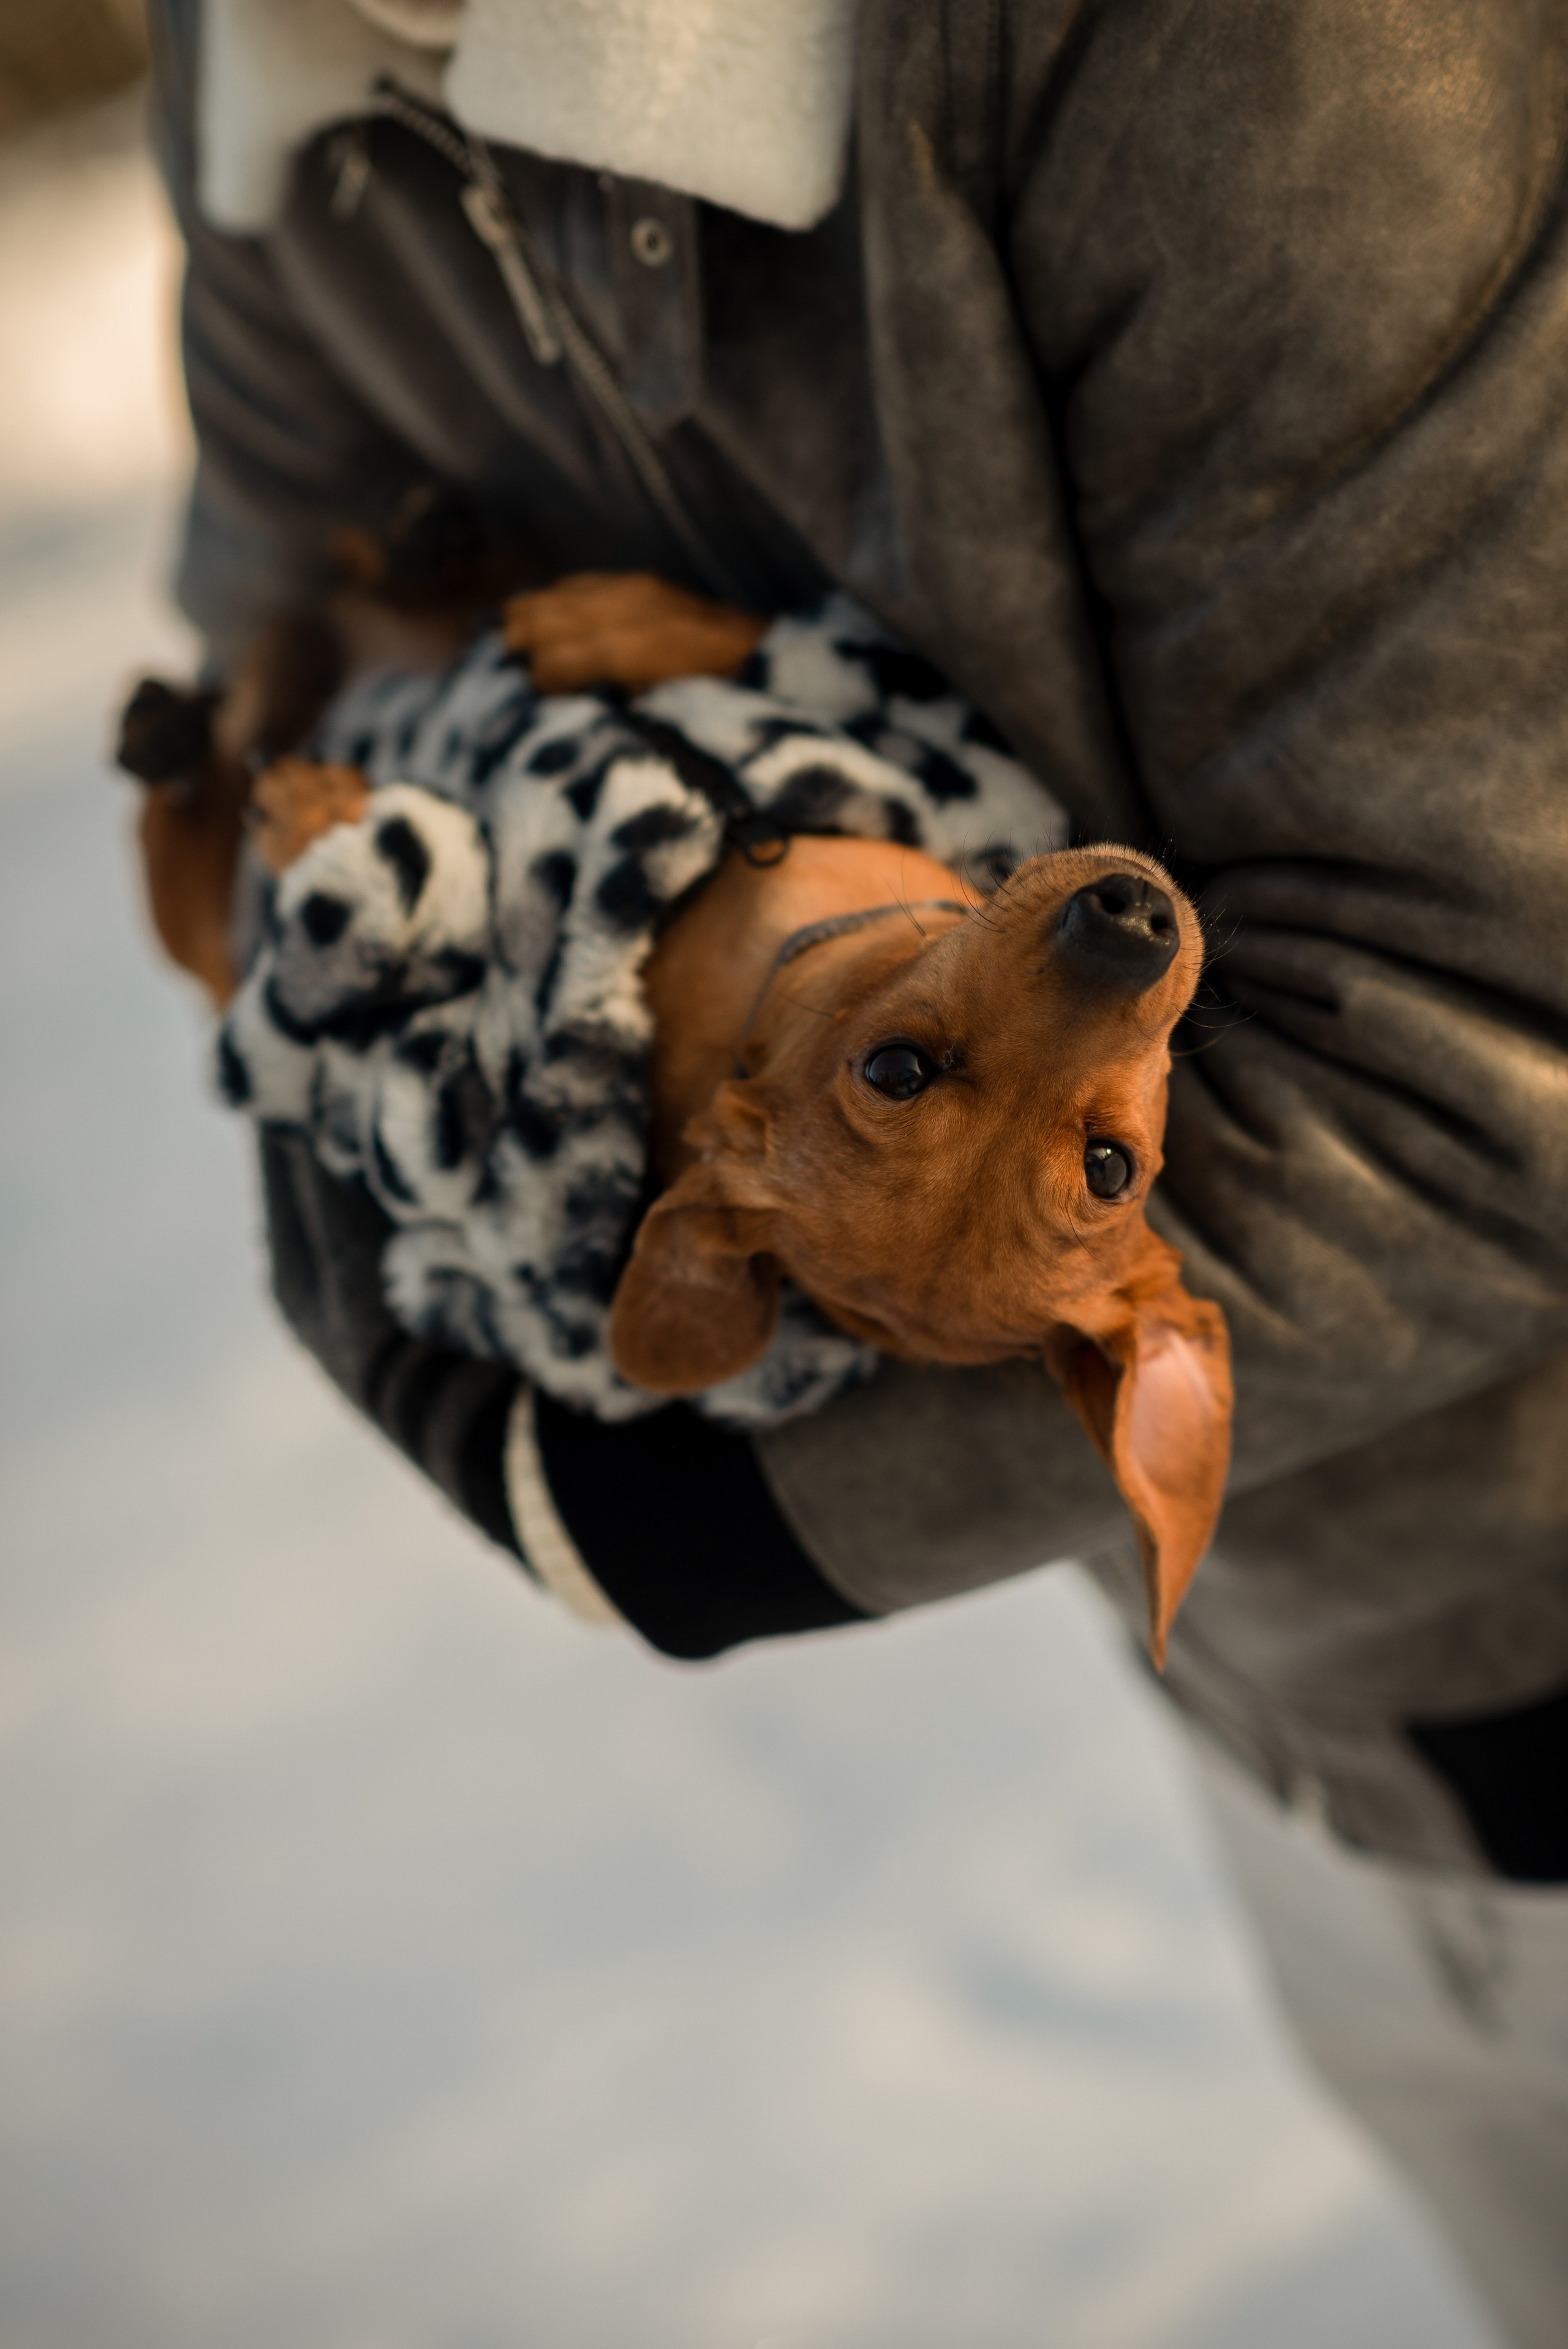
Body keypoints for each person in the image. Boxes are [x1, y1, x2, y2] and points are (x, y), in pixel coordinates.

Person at [142, 3, 1568, 2339]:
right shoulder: (271, 54)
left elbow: (1500, 1033)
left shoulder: (1250, 53)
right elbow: (275, 664)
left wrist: (739, 1520)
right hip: (1285, 1697)